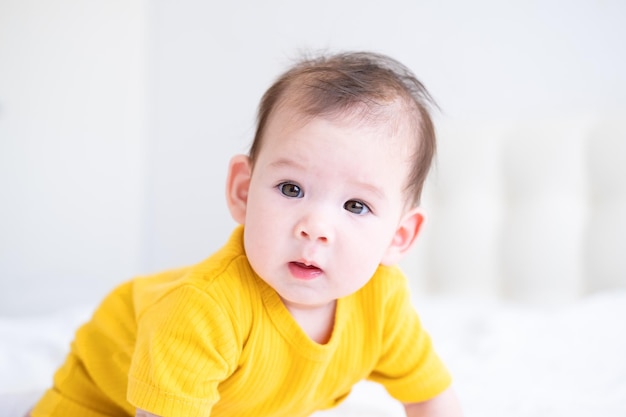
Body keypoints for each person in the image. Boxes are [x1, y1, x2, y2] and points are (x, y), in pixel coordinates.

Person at [28, 51, 462, 417]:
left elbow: (429, 395)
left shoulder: (381, 303)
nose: (315, 226)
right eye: (291, 189)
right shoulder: (202, 311)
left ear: (399, 237)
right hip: (103, 401)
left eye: (356, 206)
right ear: (243, 191)